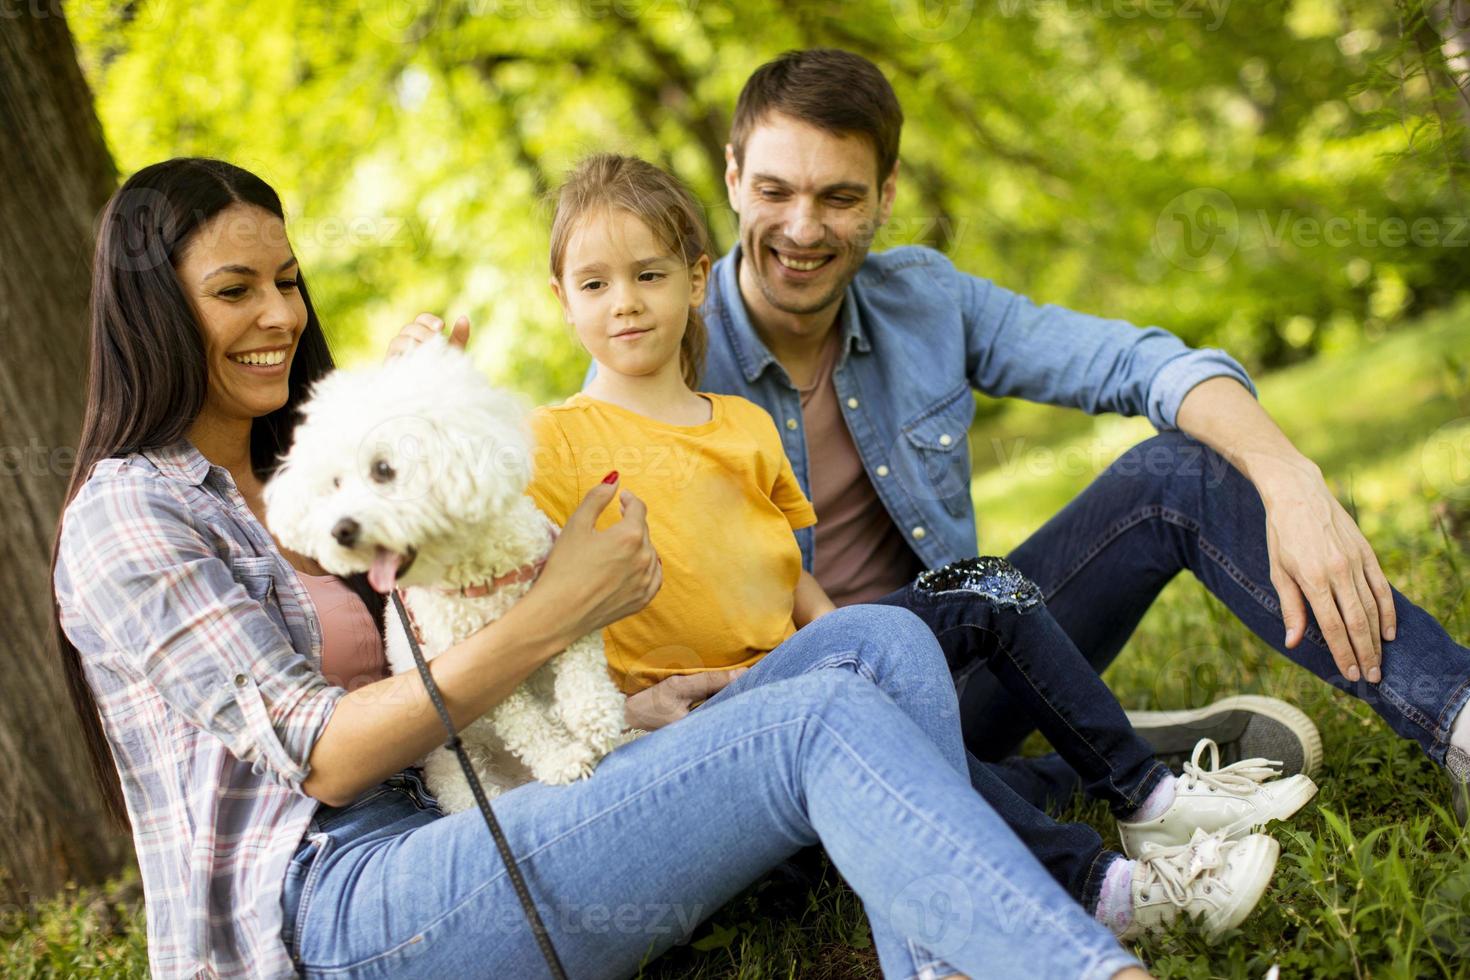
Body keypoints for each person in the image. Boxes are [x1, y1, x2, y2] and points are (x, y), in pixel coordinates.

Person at [50, 157, 1156, 979]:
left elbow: (460, 584)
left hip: (493, 800)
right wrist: (557, 610)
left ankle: (944, 958)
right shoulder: (129, 515)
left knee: (873, 638)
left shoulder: (307, 464)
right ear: (153, 309)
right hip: (342, 898)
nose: (281, 315)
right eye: (235, 289)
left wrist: (625, 704)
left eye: (287, 281)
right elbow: (328, 757)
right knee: (816, 717)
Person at [668, 47, 1470, 818]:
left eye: (839, 198)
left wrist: (1291, 479)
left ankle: (1459, 722)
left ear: (885, 194)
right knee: (834, 823)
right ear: (733, 179)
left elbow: (1139, 362)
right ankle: (1113, 764)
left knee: (1177, 473)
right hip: (803, 733)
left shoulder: (927, 301)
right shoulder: (665, 354)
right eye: (776, 191)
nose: (804, 230)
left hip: (969, 668)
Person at [527, 149, 1308, 939]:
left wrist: (858, 649)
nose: (624, 303)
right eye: (595, 284)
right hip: (710, 732)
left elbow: (786, 571)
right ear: (562, 298)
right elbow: (469, 571)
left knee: (985, 585)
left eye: (648, 276)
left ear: (696, 280)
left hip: (806, 665)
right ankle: (1102, 889)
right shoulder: (547, 446)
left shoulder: (741, 425)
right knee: (902, 742)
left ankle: (1151, 799)